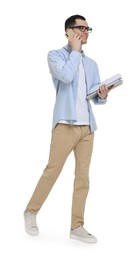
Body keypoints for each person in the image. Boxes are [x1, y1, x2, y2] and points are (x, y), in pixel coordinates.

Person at [24, 14, 109, 244]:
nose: (85, 31)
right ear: (68, 31)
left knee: (83, 178)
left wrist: (102, 94)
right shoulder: (56, 56)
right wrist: (74, 50)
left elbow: (93, 97)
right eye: (80, 28)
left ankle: (77, 226)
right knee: (52, 171)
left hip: (87, 129)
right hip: (65, 124)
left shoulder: (92, 64)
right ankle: (31, 211)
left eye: (87, 28)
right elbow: (66, 76)